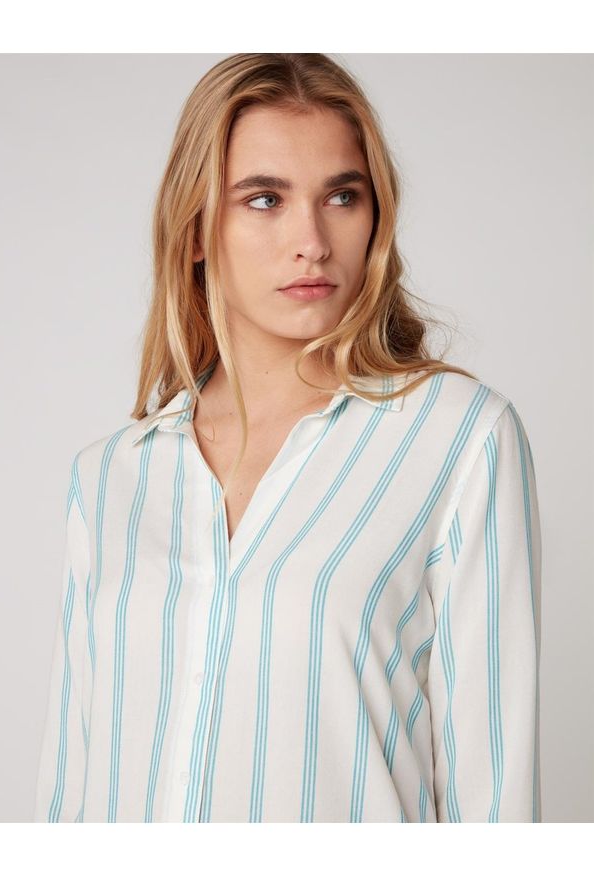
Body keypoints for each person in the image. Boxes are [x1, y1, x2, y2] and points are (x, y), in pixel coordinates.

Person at [33, 53, 542, 823]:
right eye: (265, 198)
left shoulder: (460, 439)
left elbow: (495, 796)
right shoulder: (110, 476)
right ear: (196, 228)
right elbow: (70, 788)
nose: (313, 240)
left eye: (342, 196)